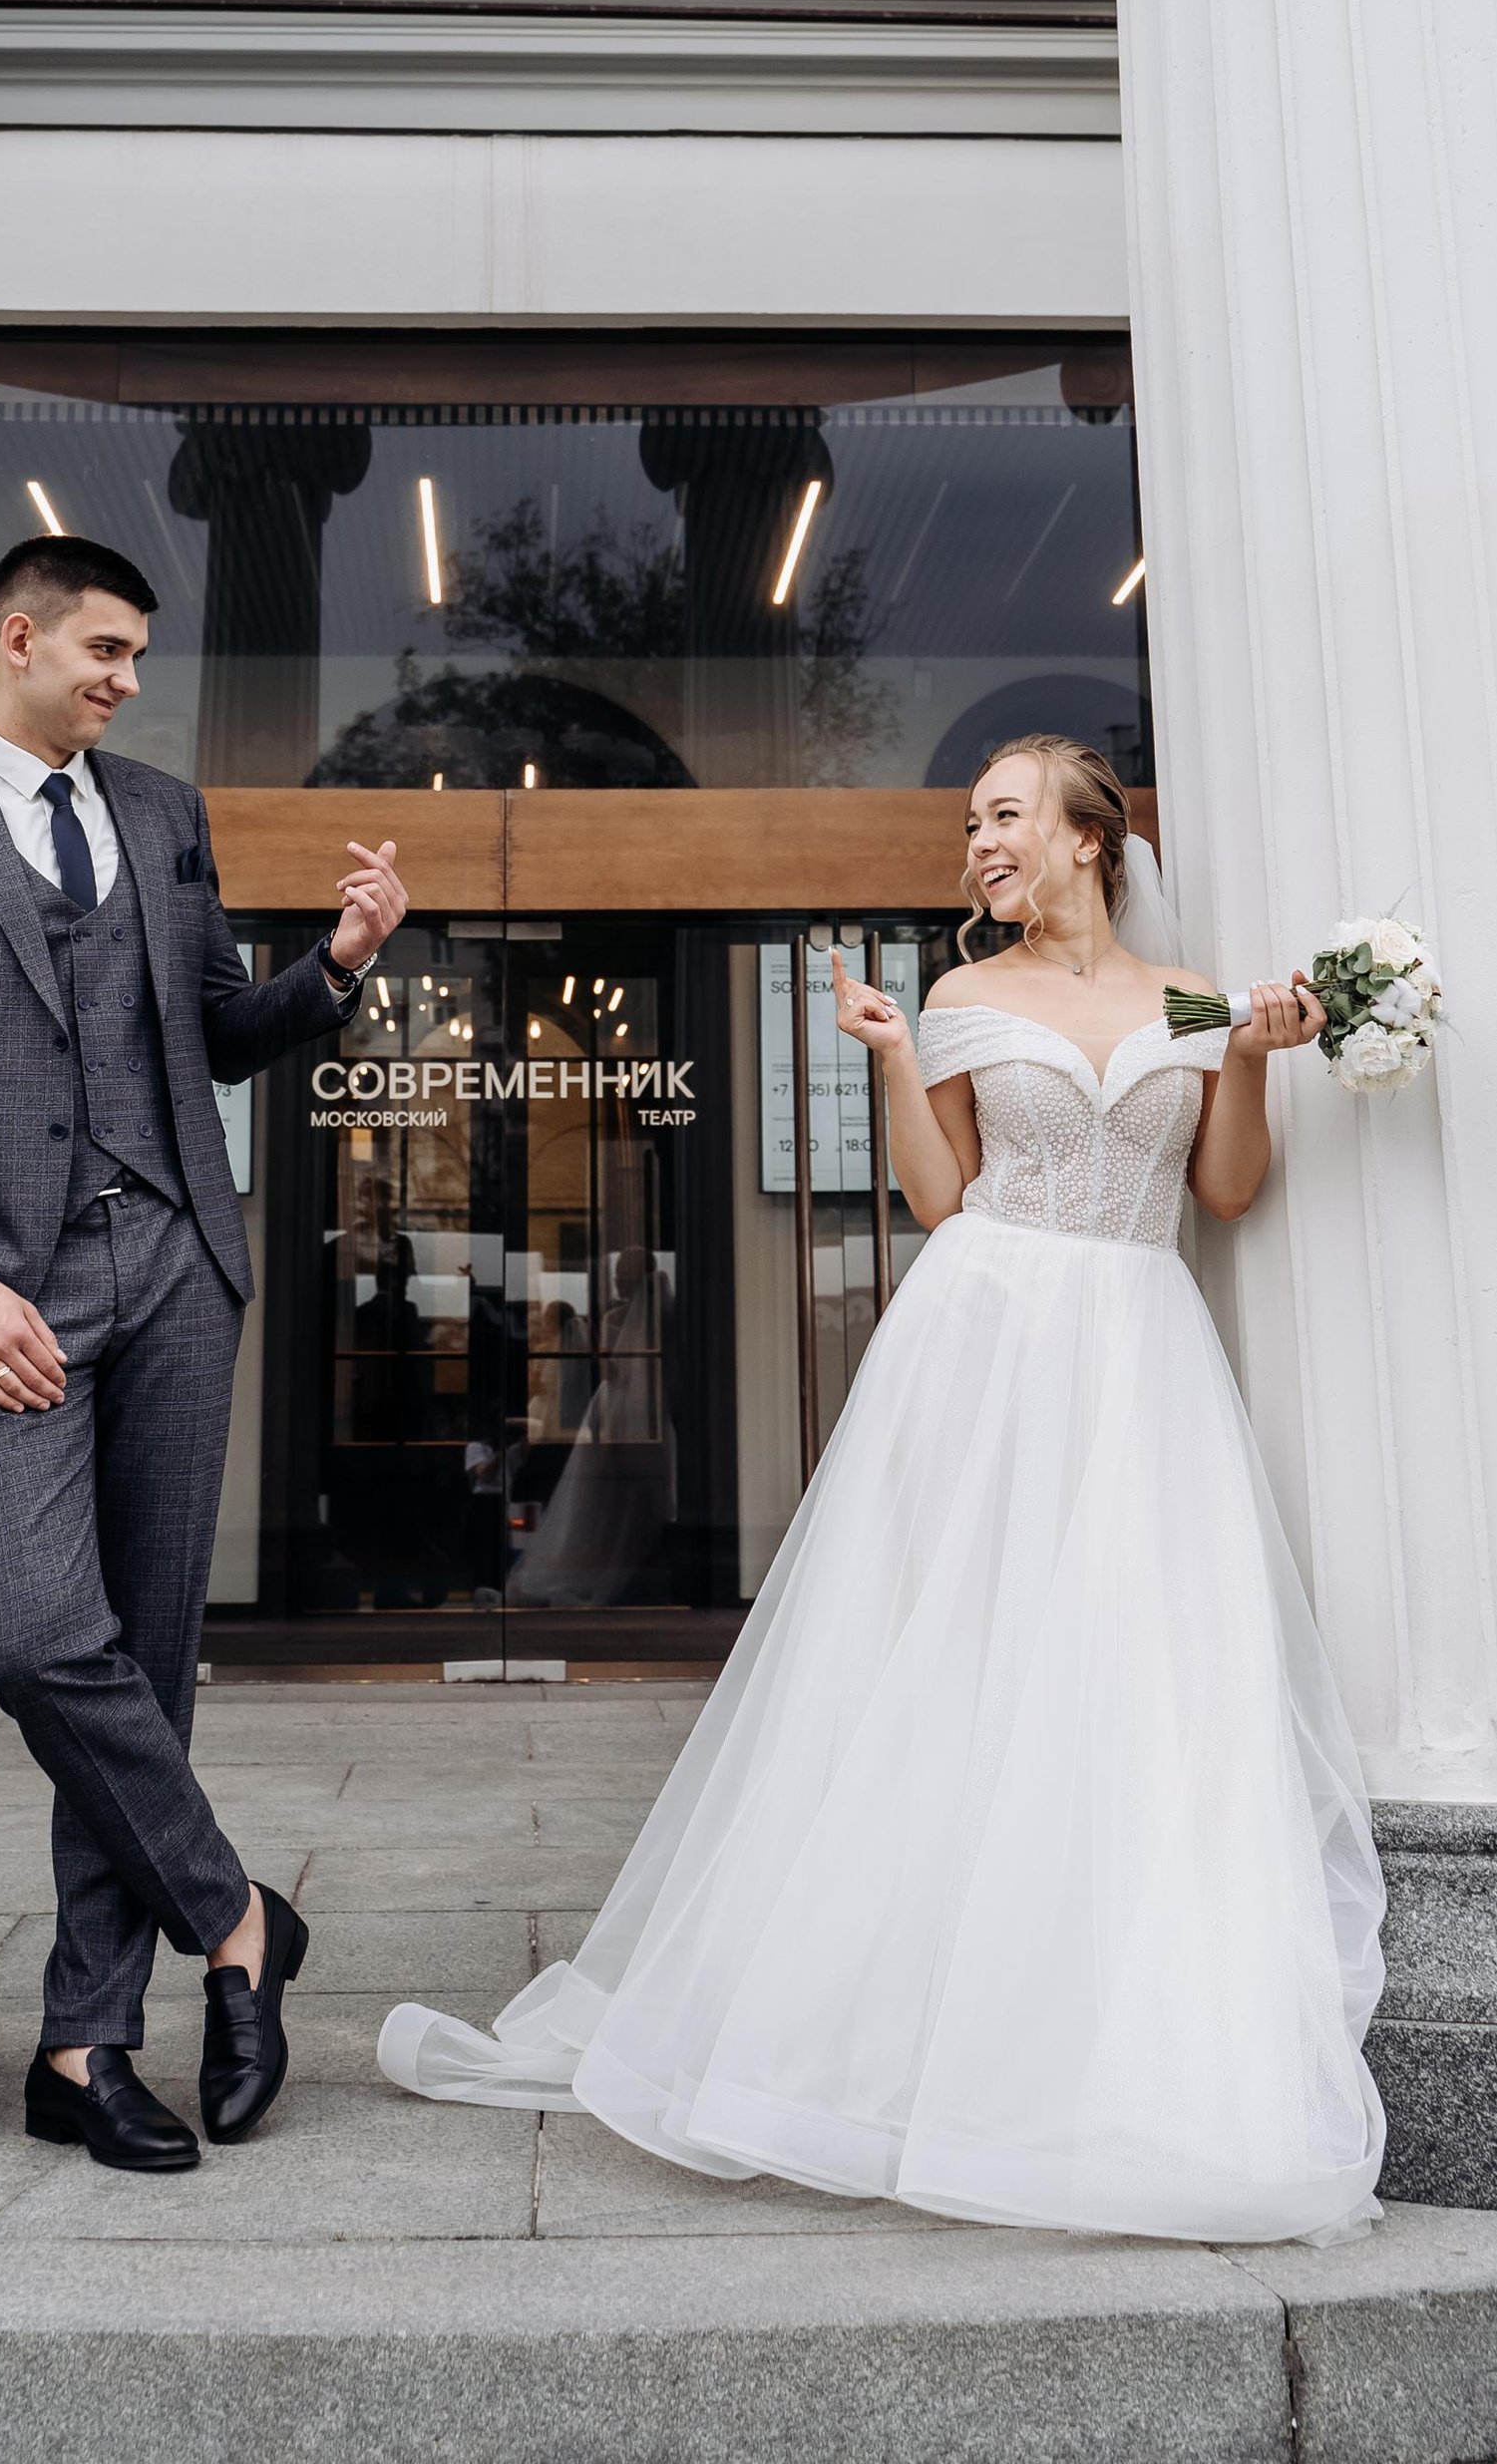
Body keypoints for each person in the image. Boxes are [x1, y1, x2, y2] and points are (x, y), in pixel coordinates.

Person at [378, 733, 1386, 2243]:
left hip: (1139, 1345)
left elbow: (1227, 1190)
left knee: (1137, 1666)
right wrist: (897, 1058)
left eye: (1003, 816)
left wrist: (1246, 1055)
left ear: (1089, 839)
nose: (978, 841)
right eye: (970, 821)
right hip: (985, 1340)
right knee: (959, 1658)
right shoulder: (966, 997)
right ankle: (903, 2008)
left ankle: (1094, 2001)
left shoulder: (1186, 1001)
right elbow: (936, 1198)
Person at [0, 533, 406, 2174]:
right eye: (105, 652)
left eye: (138, 657)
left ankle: (86, 2043)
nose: (129, 682)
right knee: (31, 1638)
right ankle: (235, 1918)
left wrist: (340, 966)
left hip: (170, 1270)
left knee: (143, 1660)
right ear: (17, 637)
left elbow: (211, 1035)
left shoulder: (158, 813)